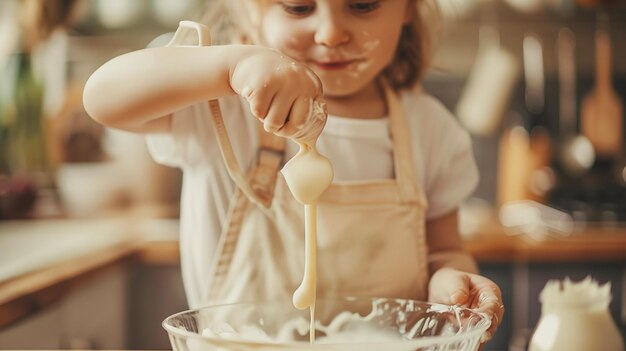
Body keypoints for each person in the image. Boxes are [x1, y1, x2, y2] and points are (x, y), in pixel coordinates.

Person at [83, 0, 504, 342]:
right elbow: (101, 97)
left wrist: (452, 283)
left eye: (363, 5)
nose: (331, 32)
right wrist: (229, 67)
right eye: (299, 8)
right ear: (250, 10)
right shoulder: (221, 111)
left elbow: (444, 251)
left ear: (410, 7)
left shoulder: (431, 131)